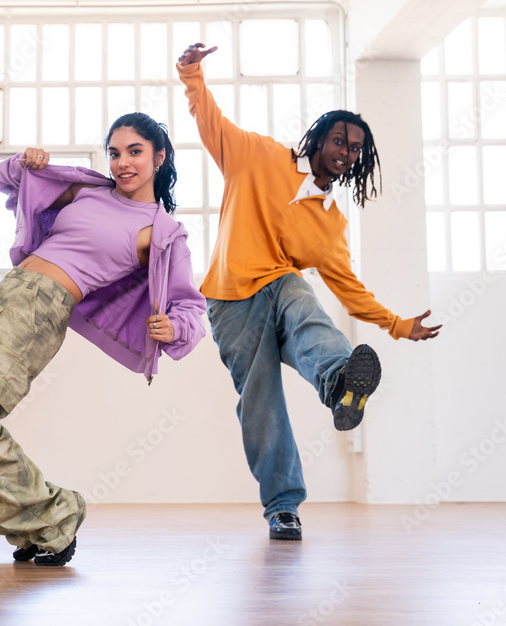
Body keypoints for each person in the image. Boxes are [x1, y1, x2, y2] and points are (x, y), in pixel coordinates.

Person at [0, 113, 207, 566]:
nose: (122, 162)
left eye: (135, 151)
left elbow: (191, 308)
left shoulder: (160, 231)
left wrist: (174, 328)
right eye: (115, 152)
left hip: (41, 310)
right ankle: (26, 527)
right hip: (5, 294)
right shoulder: (88, 189)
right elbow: (9, 180)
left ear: (159, 157)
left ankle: (56, 517)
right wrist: (27, 160)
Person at [176, 44, 441, 541]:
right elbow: (210, 121)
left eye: (356, 148)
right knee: (261, 401)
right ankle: (283, 507)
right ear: (319, 139)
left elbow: (348, 287)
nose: (347, 152)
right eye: (340, 140)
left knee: (300, 294)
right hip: (231, 302)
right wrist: (192, 73)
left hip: (278, 291)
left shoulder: (331, 222)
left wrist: (398, 325)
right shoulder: (259, 156)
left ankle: (341, 381)